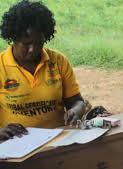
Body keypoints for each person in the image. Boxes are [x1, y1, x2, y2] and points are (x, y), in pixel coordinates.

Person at [0, 0, 85, 141]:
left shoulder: (58, 61)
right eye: (26, 44)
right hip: (15, 144)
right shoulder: (2, 65)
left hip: (57, 139)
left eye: (39, 43)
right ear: (13, 38)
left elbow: (77, 101)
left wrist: (75, 111)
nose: (32, 49)